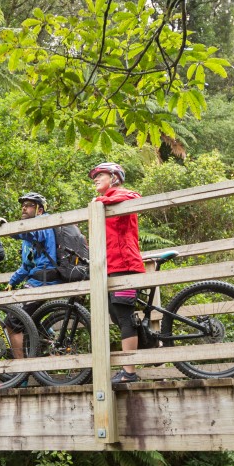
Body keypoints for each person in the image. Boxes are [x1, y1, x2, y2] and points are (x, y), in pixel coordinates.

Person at [91, 162, 144, 383]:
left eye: (100, 174)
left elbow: (136, 197)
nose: (95, 178)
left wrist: (101, 201)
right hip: (111, 267)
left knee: (124, 316)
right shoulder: (104, 205)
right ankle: (130, 365)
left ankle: (129, 372)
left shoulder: (121, 194)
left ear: (114, 177)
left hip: (126, 264)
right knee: (115, 314)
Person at [6, 191, 57, 360]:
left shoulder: (43, 223)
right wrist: (12, 282)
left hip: (44, 279)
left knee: (13, 321)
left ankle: (20, 369)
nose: (24, 208)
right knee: (28, 318)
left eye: (29, 206)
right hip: (37, 278)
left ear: (40, 210)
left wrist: (9, 228)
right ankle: (48, 339)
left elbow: (32, 233)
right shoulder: (28, 239)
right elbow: (27, 266)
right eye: (23, 205)